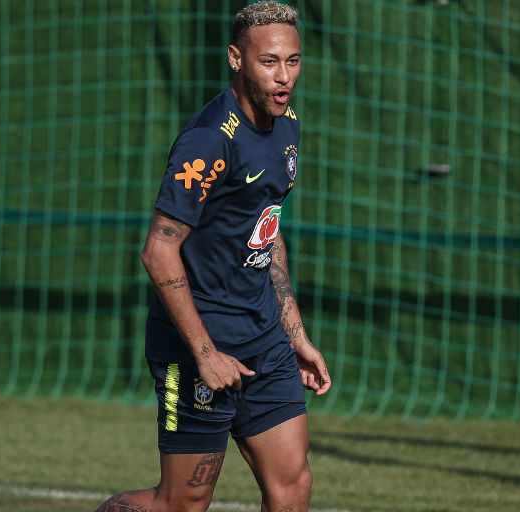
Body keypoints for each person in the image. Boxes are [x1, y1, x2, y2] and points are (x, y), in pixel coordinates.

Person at [94, 2, 331, 511]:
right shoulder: (208, 141)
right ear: (236, 59)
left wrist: (295, 335)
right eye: (269, 62)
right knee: (181, 503)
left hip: (264, 340)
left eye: (293, 60)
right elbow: (158, 252)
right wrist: (204, 354)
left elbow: (265, 231)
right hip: (197, 345)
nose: (283, 76)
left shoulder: (288, 124)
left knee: (294, 487)